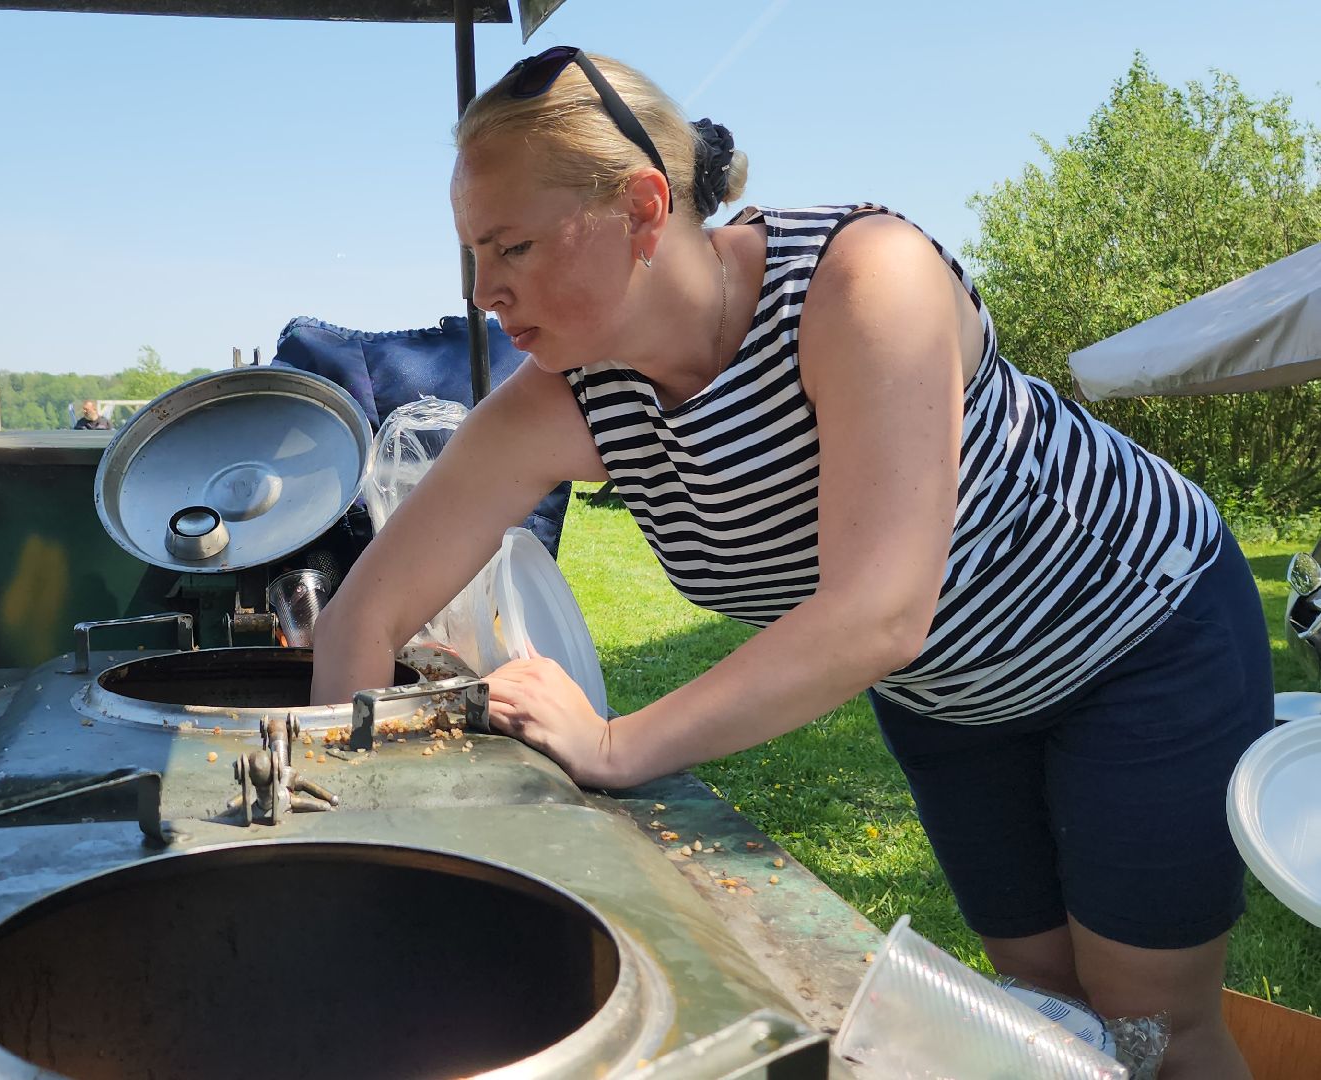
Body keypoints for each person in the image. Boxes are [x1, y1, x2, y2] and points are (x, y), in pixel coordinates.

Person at [308, 49, 1264, 1079]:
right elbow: (364, 617)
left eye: (512, 246)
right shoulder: (563, 396)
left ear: (639, 208)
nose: (484, 290)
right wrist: (363, 870)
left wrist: (617, 744)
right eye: (471, 254)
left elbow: (876, 614)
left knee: (1150, 1031)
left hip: (1137, 635)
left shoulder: (866, 277)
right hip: (949, 699)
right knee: (1045, 1013)